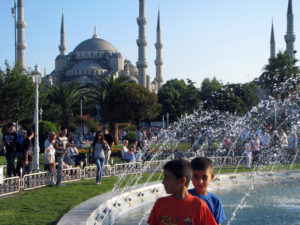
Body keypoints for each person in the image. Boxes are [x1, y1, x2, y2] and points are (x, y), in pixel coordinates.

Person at [147, 159, 217, 225]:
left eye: (167, 178)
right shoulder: (160, 204)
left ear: (182, 181)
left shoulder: (199, 206)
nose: (163, 182)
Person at [189, 157, 226, 225]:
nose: (200, 182)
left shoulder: (215, 200)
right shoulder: (185, 196)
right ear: (190, 177)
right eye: (196, 177)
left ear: (211, 177)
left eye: (204, 177)